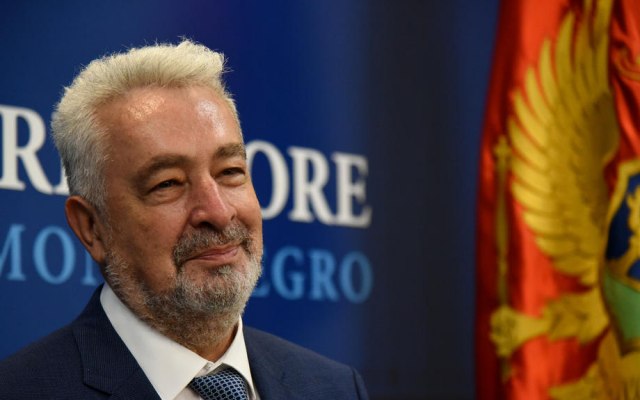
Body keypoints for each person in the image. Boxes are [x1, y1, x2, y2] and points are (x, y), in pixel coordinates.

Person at [0, 40, 368, 400]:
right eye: (168, 184)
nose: (218, 212)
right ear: (91, 227)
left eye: (230, 171)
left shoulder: (335, 387)